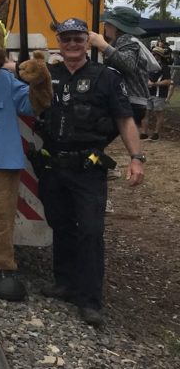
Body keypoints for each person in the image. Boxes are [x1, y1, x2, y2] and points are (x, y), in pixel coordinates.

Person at [35, 17, 144, 327]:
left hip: (88, 168)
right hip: (54, 165)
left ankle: (90, 300)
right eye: (66, 38)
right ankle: (65, 283)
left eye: (78, 39)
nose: (72, 44)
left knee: (91, 232)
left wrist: (137, 158)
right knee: (61, 224)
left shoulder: (106, 78)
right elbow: (10, 69)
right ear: (58, 41)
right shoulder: (47, 74)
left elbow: (125, 119)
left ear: (88, 41)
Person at [87, 6, 151, 135]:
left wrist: (102, 45)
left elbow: (127, 64)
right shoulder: (123, 41)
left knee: (94, 134)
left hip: (130, 102)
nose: (105, 25)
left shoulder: (127, 39)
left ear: (117, 26)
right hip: (129, 102)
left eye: (108, 23)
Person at [147, 45, 173, 141]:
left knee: (159, 113)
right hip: (148, 93)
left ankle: (156, 133)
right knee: (145, 112)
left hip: (159, 93)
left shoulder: (164, 67)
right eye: (152, 54)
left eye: (154, 54)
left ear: (159, 56)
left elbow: (168, 81)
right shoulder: (149, 66)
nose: (153, 56)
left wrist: (154, 84)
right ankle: (144, 133)